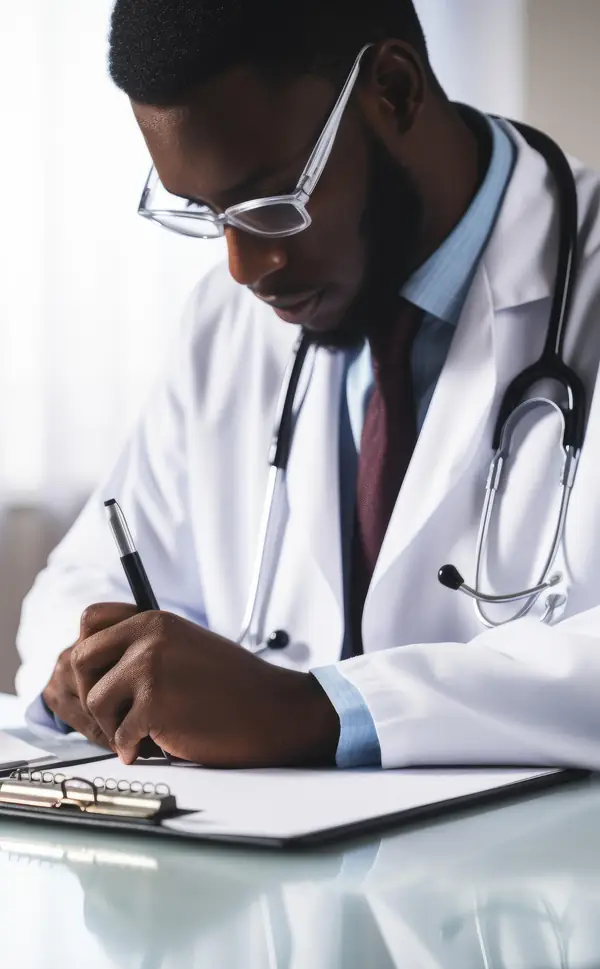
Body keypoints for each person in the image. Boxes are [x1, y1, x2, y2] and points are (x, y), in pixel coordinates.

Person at [15, 0, 600, 770]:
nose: (245, 267)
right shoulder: (228, 325)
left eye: (271, 202)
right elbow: (82, 576)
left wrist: (318, 707)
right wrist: (97, 667)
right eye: (208, 213)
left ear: (393, 90)